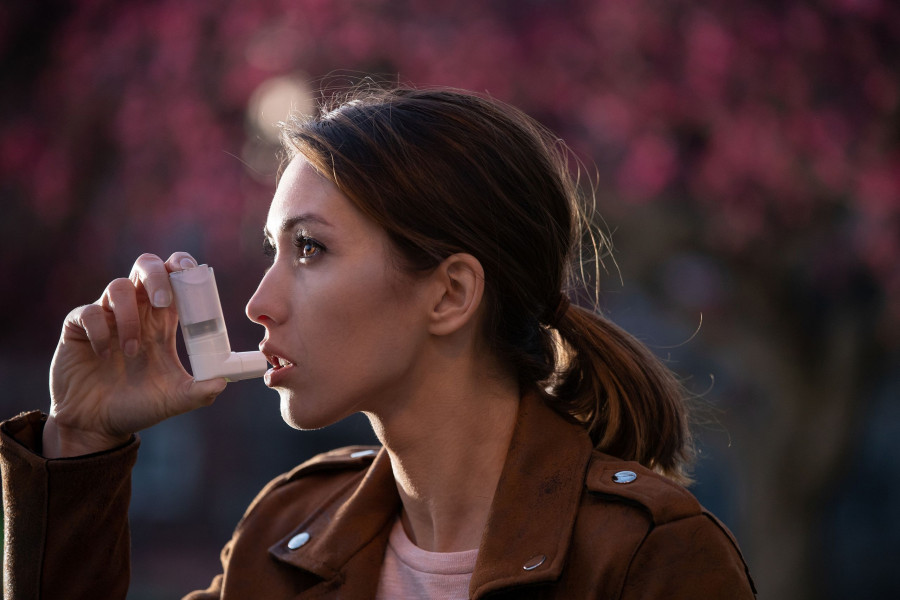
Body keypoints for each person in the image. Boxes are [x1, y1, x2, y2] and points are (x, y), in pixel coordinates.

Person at [1, 86, 756, 599]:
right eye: (272, 249)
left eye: (310, 250)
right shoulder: (282, 541)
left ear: (451, 293)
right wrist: (80, 445)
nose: (259, 304)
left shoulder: (647, 559)